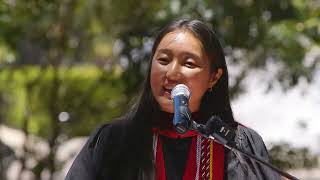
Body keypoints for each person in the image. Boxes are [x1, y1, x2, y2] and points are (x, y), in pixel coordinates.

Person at [65, 19, 281, 180]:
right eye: (163, 60)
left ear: (213, 77)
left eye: (189, 63)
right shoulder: (114, 140)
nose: (172, 73)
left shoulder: (239, 146)